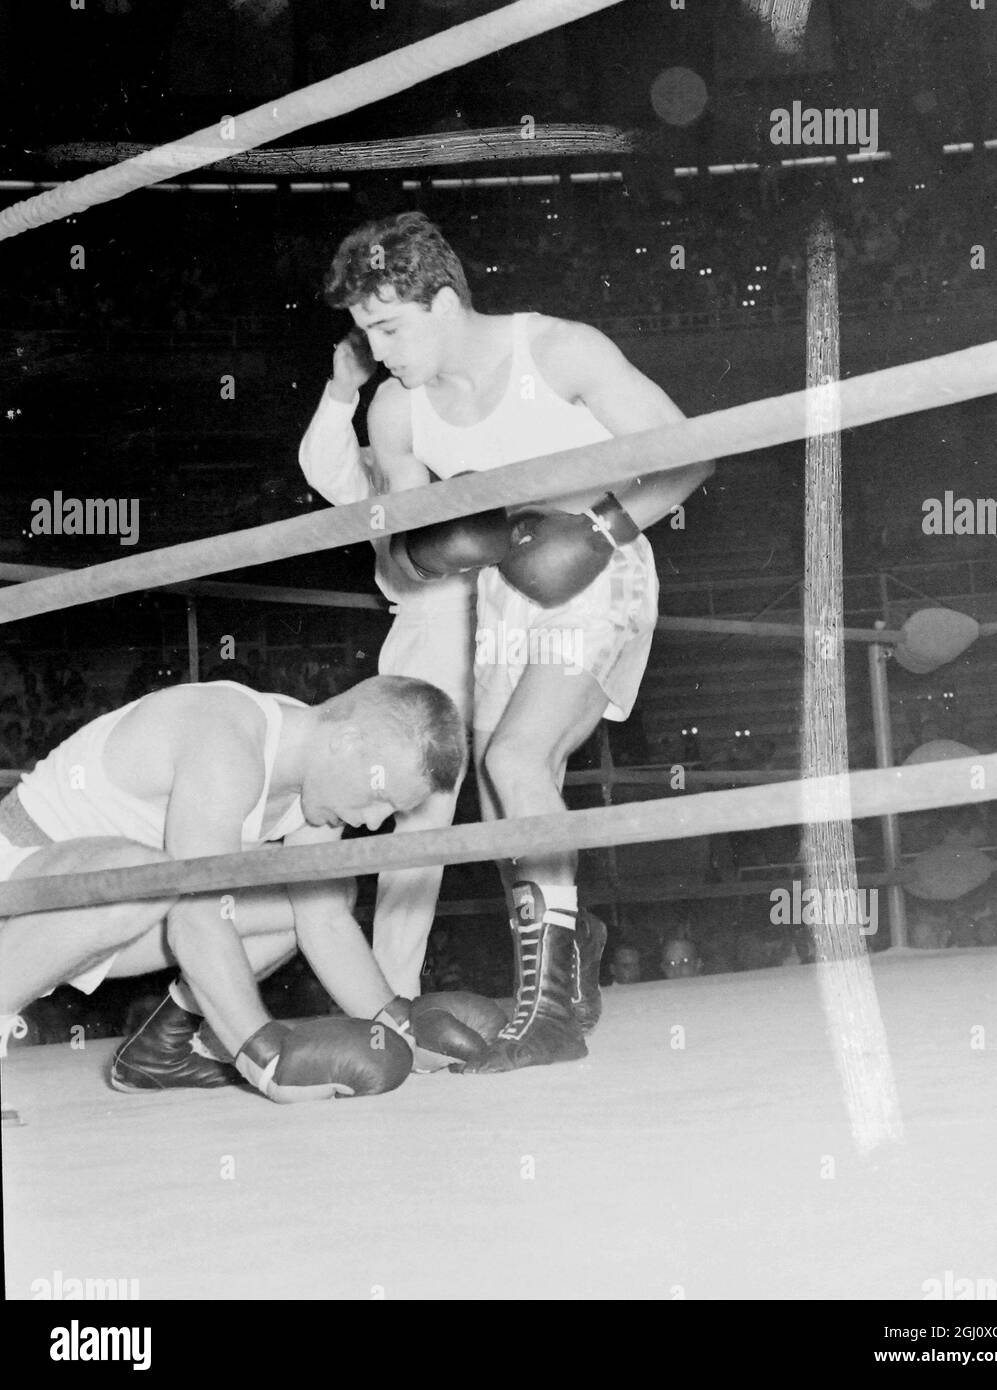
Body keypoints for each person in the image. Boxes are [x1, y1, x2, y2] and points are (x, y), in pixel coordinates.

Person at [323, 211, 714, 1071]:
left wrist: (603, 527)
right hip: (503, 595)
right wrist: (438, 544)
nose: (378, 349)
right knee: (508, 791)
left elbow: (692, 452)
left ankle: (545, 1016)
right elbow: (402, 558)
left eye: (389, 327)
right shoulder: (395, 412)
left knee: (513, 761)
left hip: (603, 567)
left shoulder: (560, 352)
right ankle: (568, 969)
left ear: (445, 301)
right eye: (363, 332)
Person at [0, 676, 505, 1101]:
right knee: (149, 875)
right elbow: (197, 912)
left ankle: (168, 1047)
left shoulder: (312, 779)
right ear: (347, 741)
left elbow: (322, 920)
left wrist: (400, 1024)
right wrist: (261, 1052)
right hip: (19, 891)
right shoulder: (227, 737)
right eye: (378, 796)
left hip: (103, 921)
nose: (372, 822)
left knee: (315, 889)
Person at [298, 327, 475, 1001]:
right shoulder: (388, 442)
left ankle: (561, 955)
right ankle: (389, 992)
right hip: (428, 638)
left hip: (516, 629)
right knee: (418, 815)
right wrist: (342, 390)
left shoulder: (490, 433)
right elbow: (327, 471)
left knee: (523, 787)